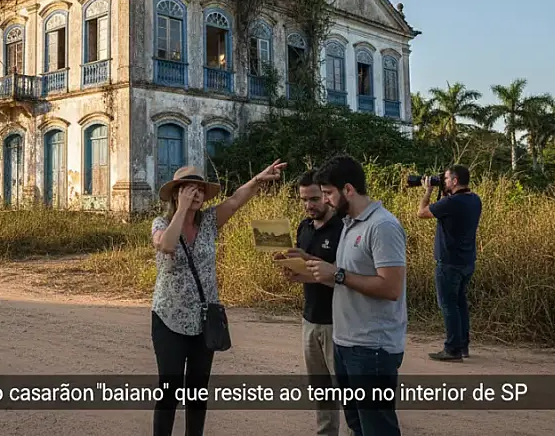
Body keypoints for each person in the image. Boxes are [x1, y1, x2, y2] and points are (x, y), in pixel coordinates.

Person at [150, 160, 287, 436]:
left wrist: (258, 180)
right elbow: (166, 244)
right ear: (176, 194)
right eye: (189, 189)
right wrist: (181, 210)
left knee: (197, 391)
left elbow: (235, 201)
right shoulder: (161, 223)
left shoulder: (209, 221)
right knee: (170, 388)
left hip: (204, 320)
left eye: (200, 189)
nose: (197, 193)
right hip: (169, 318)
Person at [305, 155, 407, 436]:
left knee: (378, 429)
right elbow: (347, 280)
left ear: (348, 189)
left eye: (328, 193)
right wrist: (308, 268)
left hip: (372, 348)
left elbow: (391, 288)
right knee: (358, 427)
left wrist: (337, 274)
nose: (326, 201)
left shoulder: (382, 226)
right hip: (346, 343)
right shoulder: (350, 224)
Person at [278, 169, 344, 436]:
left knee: (348, 391)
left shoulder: (343, 229)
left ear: (327, 195)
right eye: (304, 199)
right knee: (321, 390)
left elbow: (343, 275)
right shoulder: (304, 227)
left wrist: (306, 259)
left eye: (315, 198)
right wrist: (292, 271)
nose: (309, 205)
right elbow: (309, 272)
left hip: (338, 321)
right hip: (310, 318)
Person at [417, 164, 482, 362]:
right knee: (460, 303)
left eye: (445, 179)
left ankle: (452, 349)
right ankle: (463, 346)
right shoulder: (474, 199)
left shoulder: (451, 203)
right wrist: (444, 193)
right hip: (467, 261)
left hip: (449, 262)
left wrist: (428, 191)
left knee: (448, 305)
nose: (443, 182)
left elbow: (422, 213)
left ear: (454, 181)